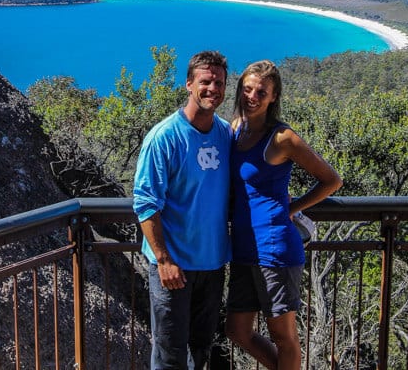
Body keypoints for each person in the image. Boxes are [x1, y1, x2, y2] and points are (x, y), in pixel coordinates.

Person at [225, 60, 342, 370]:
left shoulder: (282, 138)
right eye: (247, 89)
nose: (252, 96)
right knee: (236, 330)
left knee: (283, 336)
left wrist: (292, 208)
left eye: (261, 92)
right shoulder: (236, 129)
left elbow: (331, 180)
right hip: (243, 248)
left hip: (275, 248)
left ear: (273, 96)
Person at [133, 50, 232, 369]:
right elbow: (145, 203)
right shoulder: (164, 138)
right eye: (205, 82)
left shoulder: (225, 134)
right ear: (189, 84)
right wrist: (163, 260)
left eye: (219, 83)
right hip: (173, 269)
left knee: (201, 349)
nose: (212, 89)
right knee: (169, 354)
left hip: (213, 264)